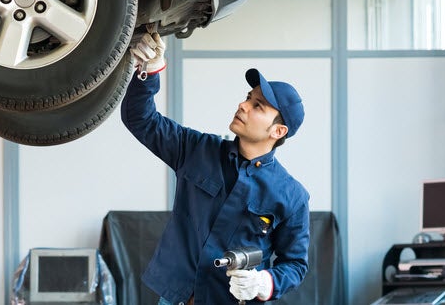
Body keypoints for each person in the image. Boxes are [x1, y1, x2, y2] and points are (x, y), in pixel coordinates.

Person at [121, 26, 310, 305]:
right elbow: (140, 119)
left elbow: (295, 264)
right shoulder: (197, 150)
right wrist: (149, 70)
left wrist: (264, 282)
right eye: (248, 97)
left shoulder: (291, 196)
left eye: (258, 106)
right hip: (174, 298)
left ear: (278, 131)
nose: (243, 105)